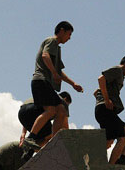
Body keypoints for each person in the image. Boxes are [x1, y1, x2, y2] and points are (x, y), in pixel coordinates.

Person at [24, 21, 83, 150]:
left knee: (56, 110)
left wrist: (73, 84)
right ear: (61, 31)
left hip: (42, 82)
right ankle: (41, 139)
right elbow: (45, 56)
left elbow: (59, 71)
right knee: (59, 108)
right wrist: (53, 73)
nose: (69, 38)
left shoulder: (57, 48)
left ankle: (38, 139)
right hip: (41, 80)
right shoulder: (52, 41)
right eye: (69, 34)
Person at [94, 53, 125, 163]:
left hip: (106, 110)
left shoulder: (120, 75)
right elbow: (101, 79)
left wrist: (102, 98)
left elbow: (96, 92)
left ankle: (120, 157)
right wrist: (106, 100)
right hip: (105, 110)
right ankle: (111, 167)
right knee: (122, 139)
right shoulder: (118, 70)